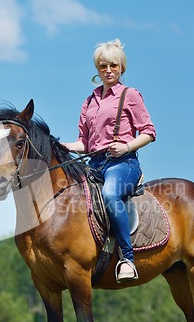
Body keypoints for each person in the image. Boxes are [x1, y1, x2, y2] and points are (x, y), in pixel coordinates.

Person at [63, 39, 156, 282]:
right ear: (97, 69)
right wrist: (62, 147)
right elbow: (84, 142)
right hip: (94, 164)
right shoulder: (90, 100)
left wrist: (126, 146)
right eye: (103, 66)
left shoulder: (130, 95)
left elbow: (149, 132)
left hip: (123, 163)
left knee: (110, 195)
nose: (108, 70)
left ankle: (127, 259)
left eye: (113, 65)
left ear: (121, 68)